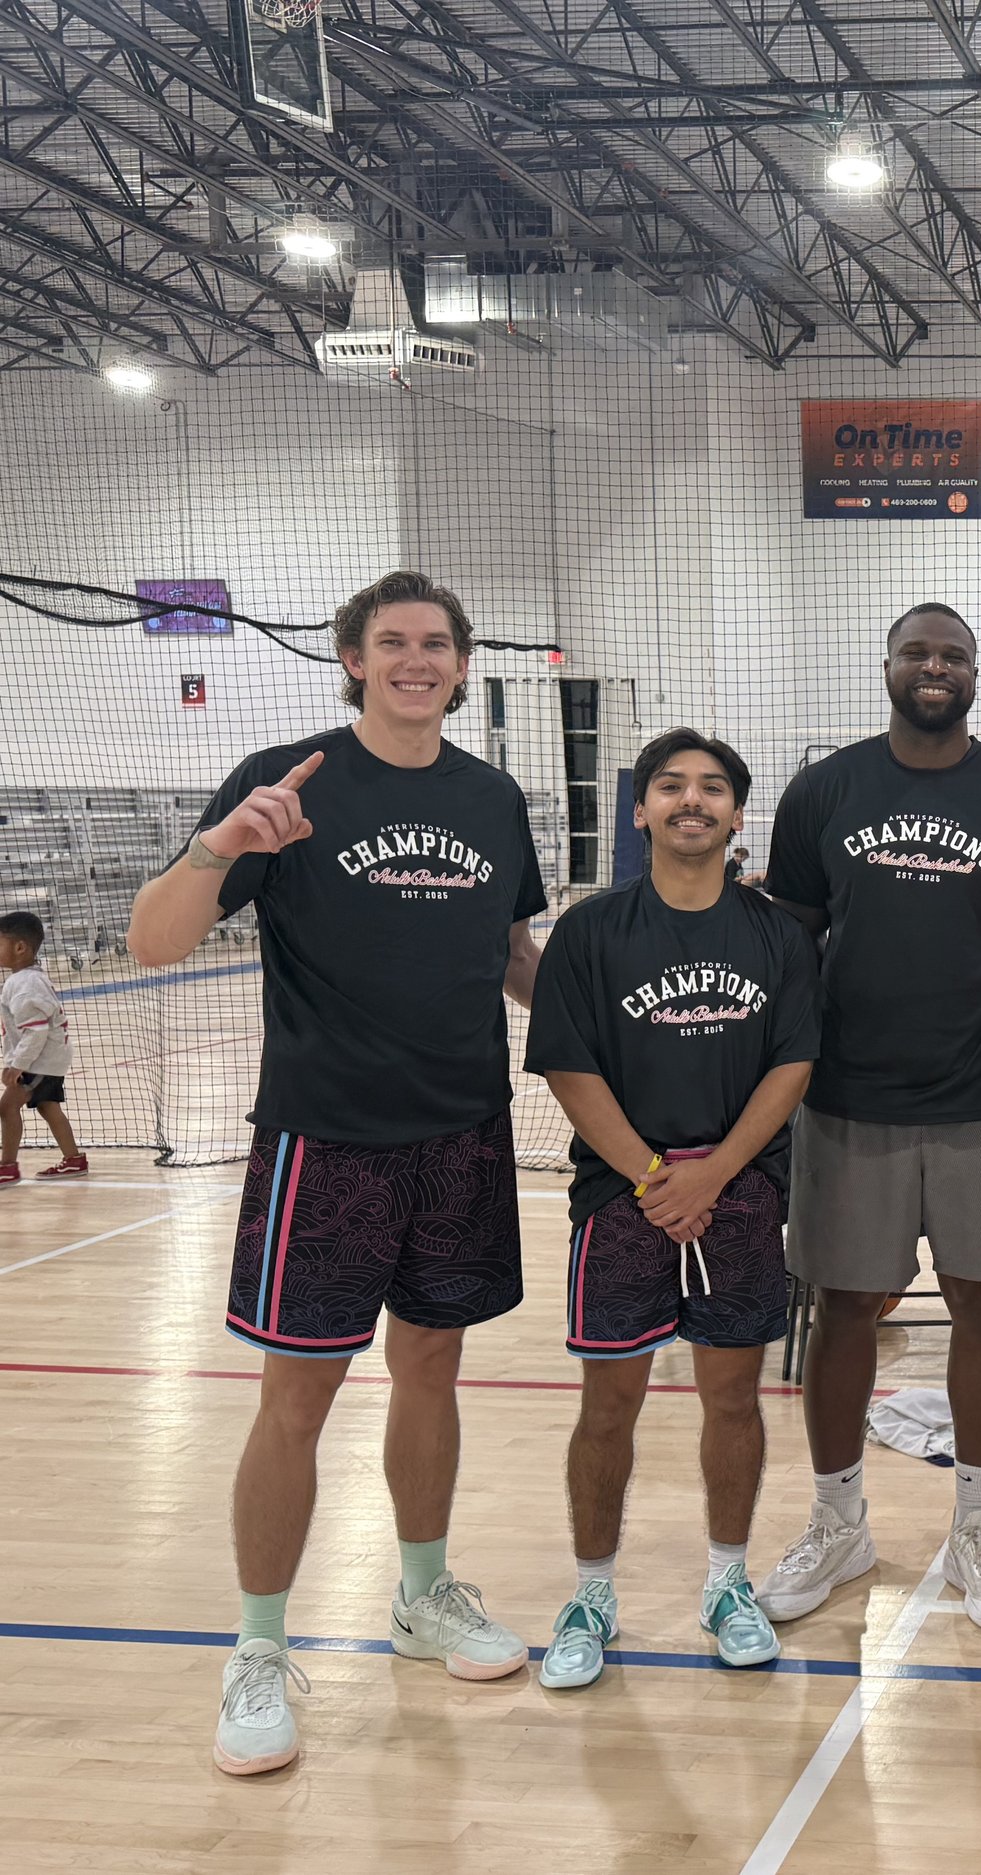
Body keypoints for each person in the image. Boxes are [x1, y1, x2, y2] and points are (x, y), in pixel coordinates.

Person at [126, 569, 547, 1776]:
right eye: (392, 642)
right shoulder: (288, 779)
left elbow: (512, 957)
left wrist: (616, 1018)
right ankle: (258, 1649)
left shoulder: (493, 797)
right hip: (325, 1138)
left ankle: (421, 1598)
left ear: (463, 666)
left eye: (436, 645)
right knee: (295, 1402)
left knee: (431, 1375)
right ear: (354, 658)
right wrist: (221, 843)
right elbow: (158, 941)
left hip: (462, 1133)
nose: (417, 660)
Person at [754, 602, 981, 1634]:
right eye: (918, 652)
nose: (935, 667)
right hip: (850, 1102)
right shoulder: (824, 791)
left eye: (954, 655)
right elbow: (791, 944)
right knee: (847, 1311)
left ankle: (976, 1531)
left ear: (975, 673)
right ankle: (839, 1523)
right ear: (887, 664)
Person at [524, 729, 819, 1686]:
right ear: (641, 808)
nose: (692, 800)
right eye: (670, 786)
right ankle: (591, 1592)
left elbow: (792, 1063)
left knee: (733, 1398)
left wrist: (716, 1173)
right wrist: (658, 1178)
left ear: (737, 813)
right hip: (623, 1201)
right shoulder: (589, 933)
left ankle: (728, 1582)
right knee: (608, 1403)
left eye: (712, 788)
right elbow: (570, 1068)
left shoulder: (776, 933)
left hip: (738, 1198)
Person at [0, 910, 82, 1184]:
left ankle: (8, 1167)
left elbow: (36, 1031)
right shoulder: (28, 978)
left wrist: (17, 1065)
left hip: (40, 1061)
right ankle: (74, 1160)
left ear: (20, 947)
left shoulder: (24, 984)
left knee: (7, 1106)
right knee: (48, 1107)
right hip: (49, 1059)